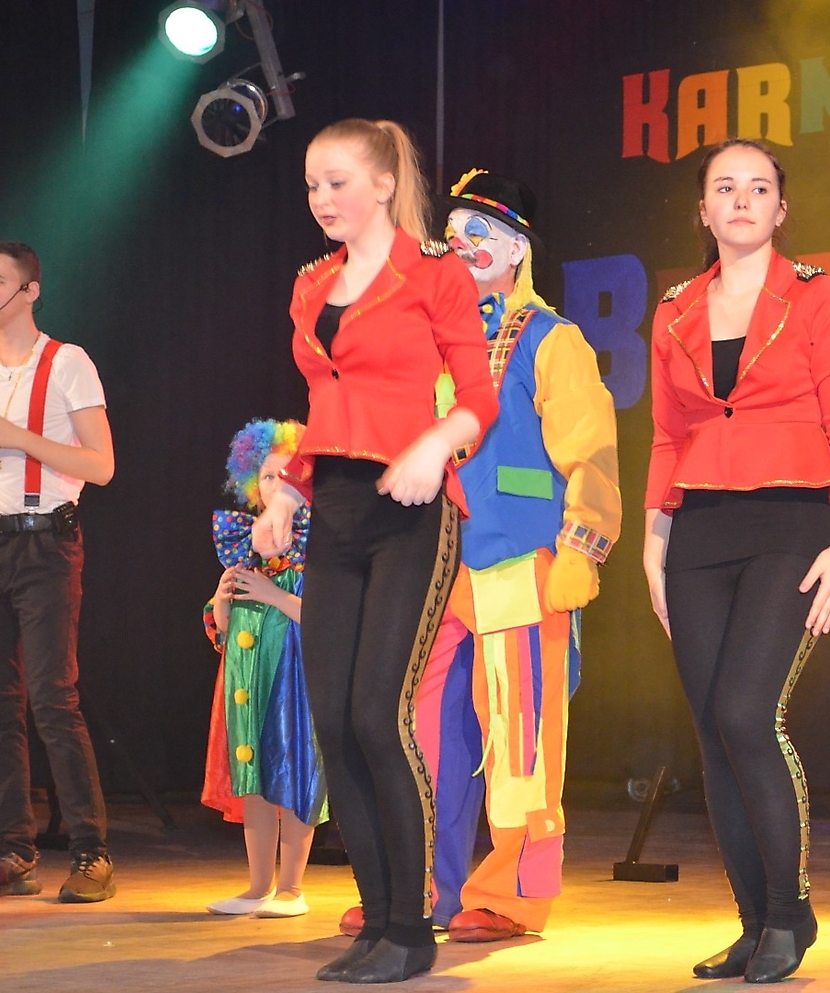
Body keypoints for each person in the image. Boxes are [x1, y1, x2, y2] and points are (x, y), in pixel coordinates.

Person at [337, 169, 621, 942]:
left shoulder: (552, 338)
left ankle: (511, 896)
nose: (463, 245)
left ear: (518, 248)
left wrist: (582, 545)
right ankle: (418, 888)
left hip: (518, 558)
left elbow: (591, 451)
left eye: (481, 232)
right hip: (429, 564)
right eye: (454, 232)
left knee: (520, 733)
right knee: (422, 730)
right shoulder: (427, 340)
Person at [250, 119, 499, 984]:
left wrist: (435, 445)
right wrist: (286, 491)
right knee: (332, 721)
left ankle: (412, 926)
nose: (322, 199)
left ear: (385, 182)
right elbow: (325, 407)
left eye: (338, 181)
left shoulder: (435, 272)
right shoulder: (311, 284)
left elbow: (478, 397)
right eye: (312, 185)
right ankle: (376, 919)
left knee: (377, 714)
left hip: (412, 509)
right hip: (338, 508)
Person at [644, 138, 830, 984]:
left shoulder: (816, 298)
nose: (741, 200)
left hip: (791, 522)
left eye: (758, 188)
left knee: (747, 713)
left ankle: (789, 910)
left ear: (781, 208)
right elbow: (666, 435)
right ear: (702, 209)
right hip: (699, 529)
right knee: (712, 729)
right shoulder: (674, 309)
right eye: (724, 187)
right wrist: (653, 541)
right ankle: (751, 924)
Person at [0, 241, 116, 903]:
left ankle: (91, 852)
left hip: (44, 545)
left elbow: (102, 465)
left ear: (30, 290)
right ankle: (13, 848)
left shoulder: (68, 363)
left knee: (54, 700)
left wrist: (16, 436)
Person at [202, 418, 327, 918]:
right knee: (250, 776)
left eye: (286, 476)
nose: (276, 486)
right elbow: (221, 631)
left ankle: (292, 889)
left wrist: (274, 595)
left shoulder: (314, 551)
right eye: (268, 476)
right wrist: (221, 601)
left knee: (293, 774)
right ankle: (257, 887)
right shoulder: (246, 552)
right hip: (244, 685)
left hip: (294, 682)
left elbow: (330, 620)